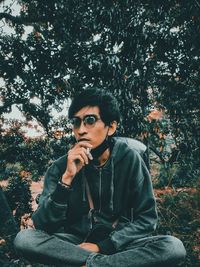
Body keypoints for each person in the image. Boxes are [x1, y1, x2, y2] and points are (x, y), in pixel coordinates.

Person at [14, 88, 186, 267]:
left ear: (111, 127)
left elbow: (147, 218)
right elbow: (43, 225)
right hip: (75, 245)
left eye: (90, 121)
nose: (81, 130)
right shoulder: (60, 167)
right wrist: (67, 179)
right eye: (76, 122)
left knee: (173, 247)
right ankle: (103, 264)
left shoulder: (129, 159)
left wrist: (101, 247)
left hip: (118, 243)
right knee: (25, 239)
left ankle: (95, 264)